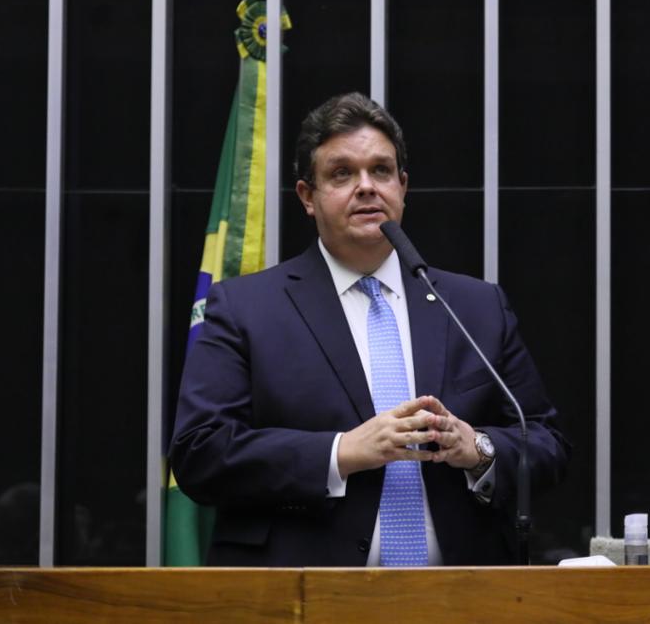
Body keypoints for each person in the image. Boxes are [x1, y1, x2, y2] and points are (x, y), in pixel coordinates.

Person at [170, 92, 569, 566]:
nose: (366, 187)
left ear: (402, 186)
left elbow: (546, 443)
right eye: (342, 173)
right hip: (303, 592)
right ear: (307, 197)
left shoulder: (475, 306)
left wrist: (477, 447)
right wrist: (341, 451)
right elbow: (200, 452)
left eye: (381, 171)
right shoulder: (246, 307)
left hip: (462, 592)